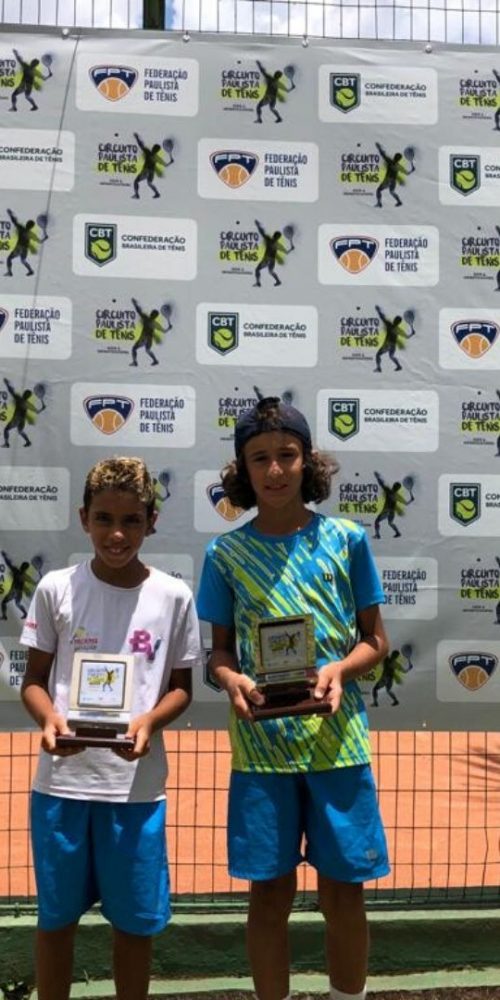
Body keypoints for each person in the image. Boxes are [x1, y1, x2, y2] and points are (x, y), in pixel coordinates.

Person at [196, 396, 390, 1000]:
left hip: (339, 743)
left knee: (344, 893)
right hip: (262, 750)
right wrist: (234, 681)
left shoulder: (347, 539)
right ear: (243, 469)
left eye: (287, 454)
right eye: (260, 458)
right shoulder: (224, 554)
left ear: (308, 461)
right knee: (269, 894)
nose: (275, 469)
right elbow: (219, 655)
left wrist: (339, 669)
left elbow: (376, 642)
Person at [20, 456, 203, 1000]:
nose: (116, 534)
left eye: (131, 520)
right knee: (56, 921)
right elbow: (33, 681)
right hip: (62, 787)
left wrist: (149, 721)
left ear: (152, 522)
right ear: (84, 519)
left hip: (136, 792)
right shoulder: (56, 588)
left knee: (135, 926)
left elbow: (181, 688)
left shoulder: (173, 596)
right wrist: (49, 719)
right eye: (103, 519)